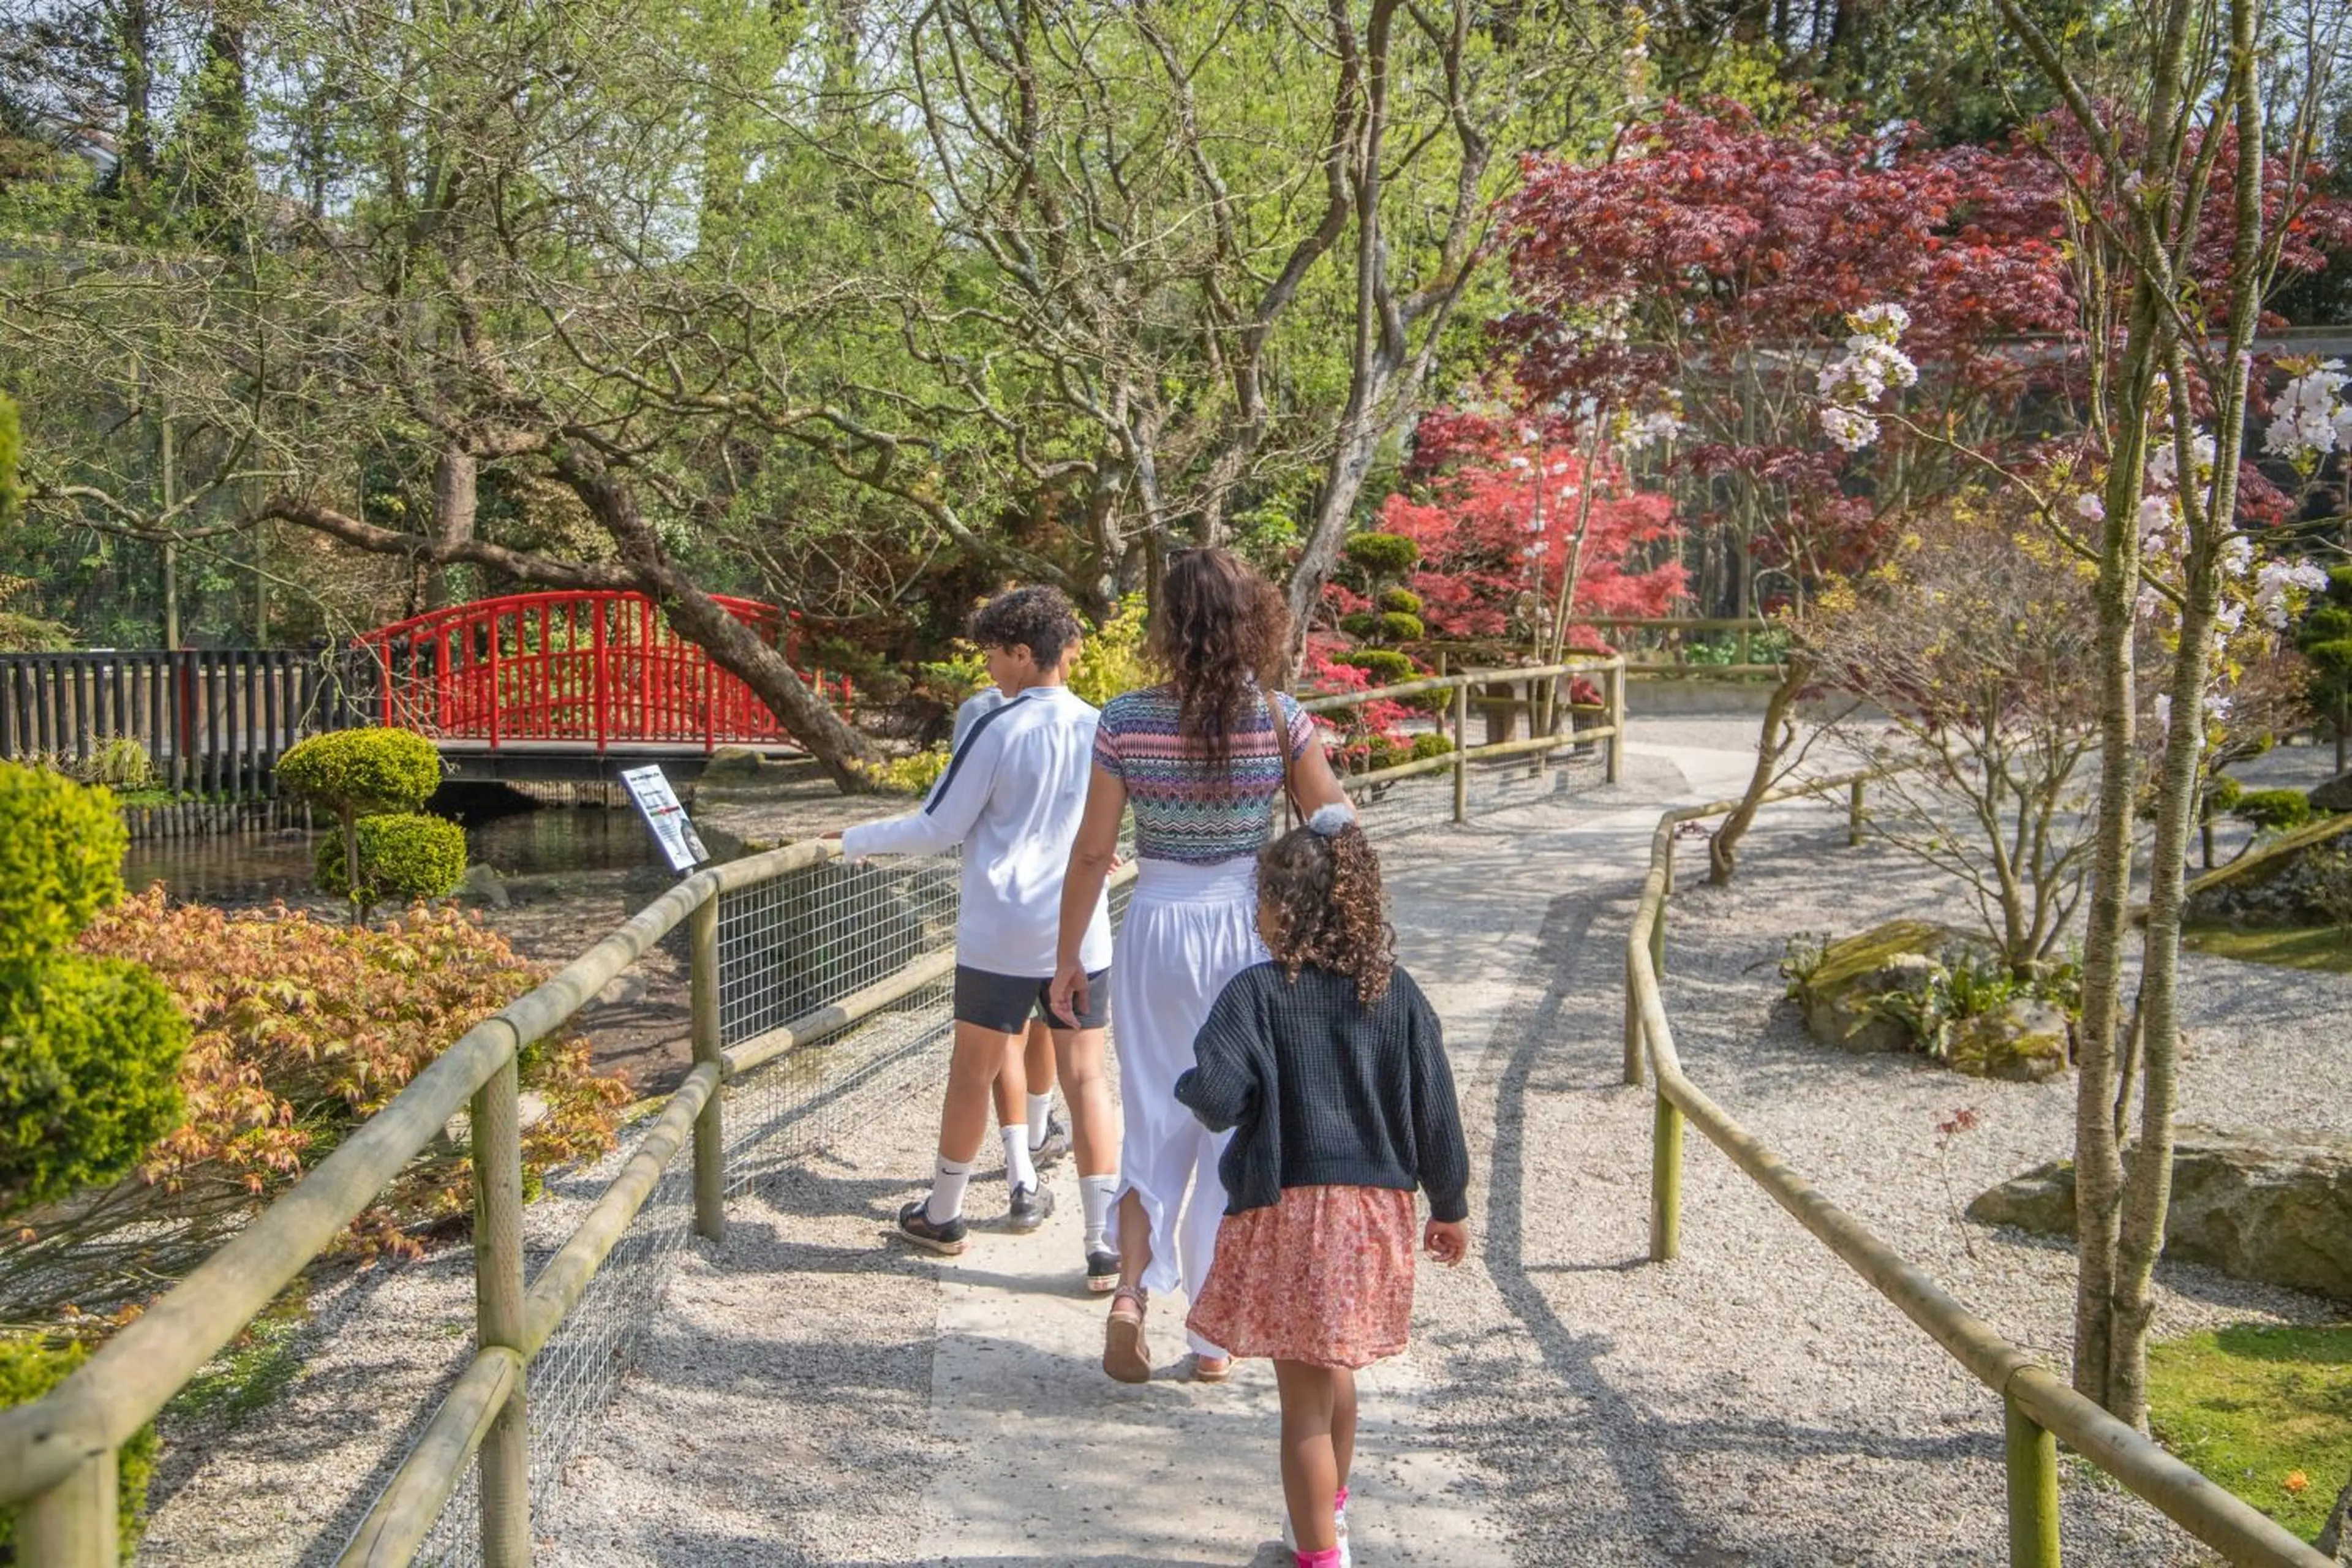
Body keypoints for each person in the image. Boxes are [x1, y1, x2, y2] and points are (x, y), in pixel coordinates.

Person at [1050, 547, 1350, 1383]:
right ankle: (1213, 1337)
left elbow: (1091, 854)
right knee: (1238, 1122)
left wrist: (1069, 956)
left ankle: (1131, 1296)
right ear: (1254, 617)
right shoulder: (1281, 716)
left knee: (1155, 1112)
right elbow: (1334, 822)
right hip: (1249, 930)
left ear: (1167, 625)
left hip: (1155, 926)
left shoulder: (1124, 719)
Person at [1175, 805, 1469, 1568]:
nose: (1258, 916)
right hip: (1376, 1213)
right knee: (1336, 1370)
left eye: (1264, 901)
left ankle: (1320, 1559)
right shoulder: (1395, 993)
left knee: (1301, 1403)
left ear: (1289, 909)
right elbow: (1434, 1106)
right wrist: (1452, 1205)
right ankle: (1329, 1521)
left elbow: (1215, 1097)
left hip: (1294, 1211)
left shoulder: (1258, 994)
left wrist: (1187, 1079)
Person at [832, 586, 1117, 1275]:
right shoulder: (1100, 724)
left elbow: (938, 827)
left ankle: (944, 1211)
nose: (988, 665)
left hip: (1002, 926)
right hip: (1081, 927)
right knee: (1087, 1079)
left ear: (1024, 653)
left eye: (994, 651)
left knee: (973, 1071)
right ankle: (1102, 1242)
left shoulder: (999, 726)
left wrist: (853, 837)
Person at [951, 685, 1074, 1177]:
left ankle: (1020, 1164)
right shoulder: (1070, 713)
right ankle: (1038, 1139)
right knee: (1045, 1022)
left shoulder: (981, 712)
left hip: (1001, 903)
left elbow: (957, 803)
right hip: (1060, 896)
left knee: (1006, 1035)